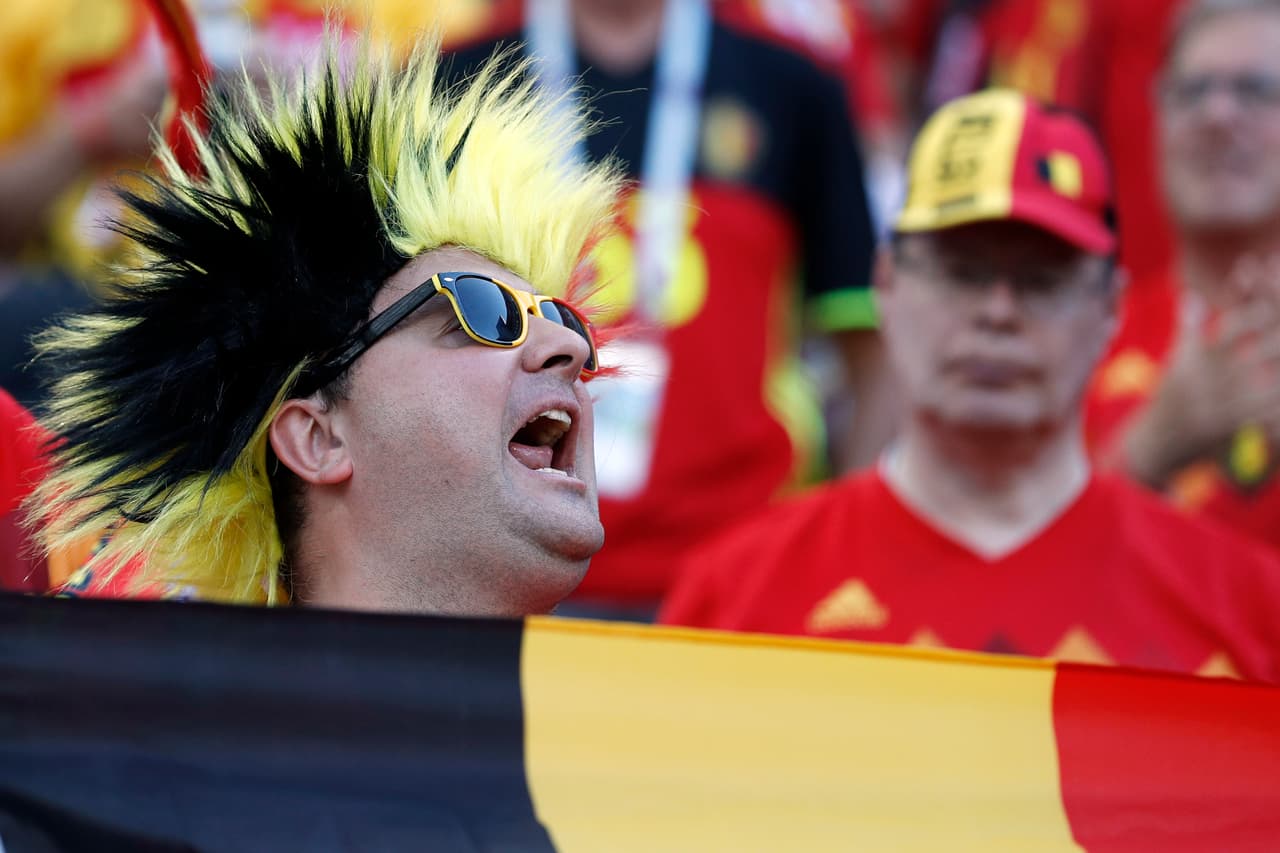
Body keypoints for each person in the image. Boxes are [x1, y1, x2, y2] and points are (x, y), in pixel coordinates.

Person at [660, 89, 1280, 683]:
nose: (997, 312)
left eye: (1041, 280)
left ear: (1110, 310)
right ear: (887, 285)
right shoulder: (734, 596)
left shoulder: (1248, 610)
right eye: (962, 272)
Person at [29, 34, 623, 617]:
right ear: (319, 439)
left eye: (563, 316)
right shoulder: (126, 712)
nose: (569, 346)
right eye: (484, 311)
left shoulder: (675, 710)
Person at [448, 0, 889, 614]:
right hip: (507, 575)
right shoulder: (459, 84)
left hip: (742, 580)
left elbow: (871, 354)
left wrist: (844, 550)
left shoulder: (793, 86)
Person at [1088, 0, 1280, 554]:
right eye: (1190, 92)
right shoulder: (1082, 332)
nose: (1216, 115)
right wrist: (1150, 448)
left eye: (1256, 90)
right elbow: (1015, 574)